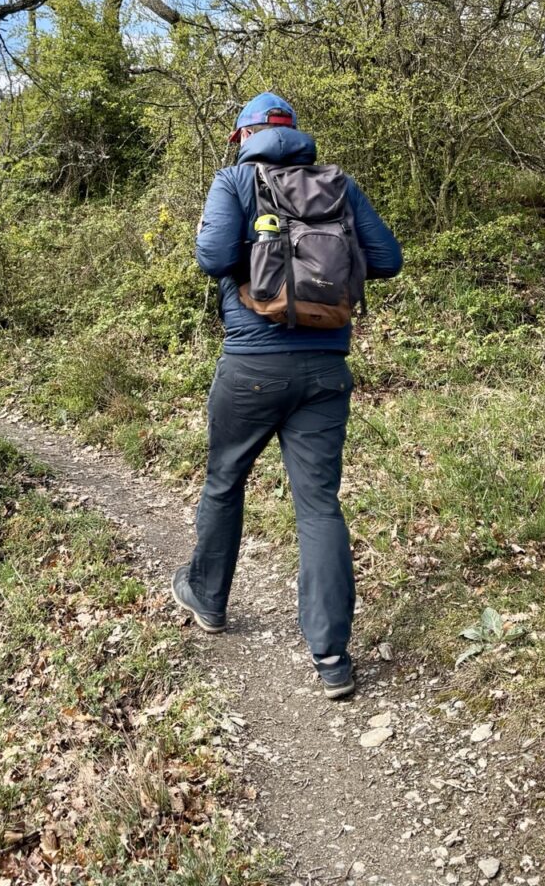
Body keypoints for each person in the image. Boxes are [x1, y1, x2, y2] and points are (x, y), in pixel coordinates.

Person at [172, 91, 402, 699]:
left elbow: (212, 257)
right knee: (319, 506)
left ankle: (209, 599)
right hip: (325, 370)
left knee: (225, 479)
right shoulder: (337, 184)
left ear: (244, 135)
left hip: (251, 365)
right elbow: (387, 258)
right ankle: (332, 659)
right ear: (294, 133)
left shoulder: (234, 180)